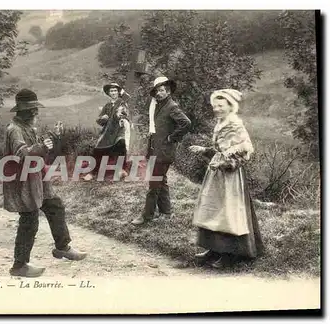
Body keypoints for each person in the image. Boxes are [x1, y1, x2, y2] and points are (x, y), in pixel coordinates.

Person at [2, 89, 87, 278]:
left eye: (35, 108)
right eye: (31, 109)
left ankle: (62, 247)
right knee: (29, 220)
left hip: (38, 178)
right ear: (21, 111)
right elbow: (23, 155)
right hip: (23, 182)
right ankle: (19, 265)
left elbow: (40, 151)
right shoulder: (14, 130)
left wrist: (52, 137)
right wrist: (42, 145)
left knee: (55, 205)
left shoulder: (27, 128)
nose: (35, 112)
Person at [189, 89, 264, 269]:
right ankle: (213, 249)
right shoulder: (221, 123)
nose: (217, 109)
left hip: (230, 178)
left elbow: (244, 152)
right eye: (215, 106)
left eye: (221, 106)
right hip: (216, 175)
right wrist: (204, 150)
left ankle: (230, 254)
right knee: (213, 210)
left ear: (231, 106)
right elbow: (220, 150)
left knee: (228, 213)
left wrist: (224, 164)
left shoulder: (236, 125)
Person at [131, 76, 191, 225]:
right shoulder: (157, 106)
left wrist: (172, 138)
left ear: (168, 91)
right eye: (157, 91)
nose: (159, 93)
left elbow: (186, 123)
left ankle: (146, 216)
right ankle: (166, 212)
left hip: (164, 152)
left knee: (153, 185)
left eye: (162, 90)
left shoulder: (172, 106)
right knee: (161, 181)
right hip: (156, 150)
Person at [83, 82, 132, 181]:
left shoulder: (122, 102)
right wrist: (103, 118)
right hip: (108, 131)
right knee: (98, 149)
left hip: (119, 129)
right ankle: (92, 172)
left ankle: (123, 169)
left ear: (118, 92)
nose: (113, 93)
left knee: (121, 144)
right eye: (111, 91)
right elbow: (99, 121)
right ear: (109, 93)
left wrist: (120, 116)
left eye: (115, 90)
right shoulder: (107, 105)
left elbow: (125, 112)